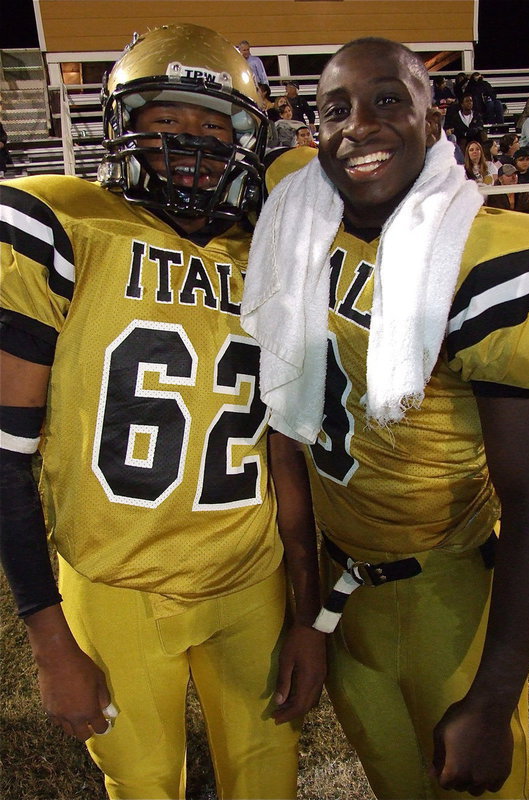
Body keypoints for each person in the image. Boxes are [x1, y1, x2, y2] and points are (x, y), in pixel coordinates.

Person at [0, 23, 326, 800]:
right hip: (117, 579)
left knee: (266, 781)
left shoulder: (271, 255)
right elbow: (5, 451)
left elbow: (286, 449)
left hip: (251, 577)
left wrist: (307, 616)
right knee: (143, 786)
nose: (192, 146)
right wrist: (50, 641)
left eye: (219, 129)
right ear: (122, 130)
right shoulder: (68, 226)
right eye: (166, 124)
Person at [241, 36, 529, 800]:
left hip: (441, 595)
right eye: (335, 110)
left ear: (432, 114)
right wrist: (308, 611)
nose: (359, 126)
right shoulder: (301, 208)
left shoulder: (487, 256)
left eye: (388, 100)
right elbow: (286, 420)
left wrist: (490, 698)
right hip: (344, 590)